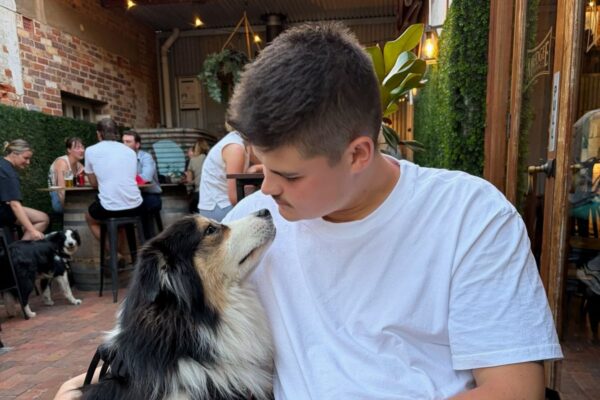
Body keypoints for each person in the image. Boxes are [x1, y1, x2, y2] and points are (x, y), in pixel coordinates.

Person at [55, 23, 562, 399]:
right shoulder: (255, 220)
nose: (266, 189)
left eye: (290, 175)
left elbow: (515, 390)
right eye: (262, 165)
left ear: (358, 154)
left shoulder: (470, 217)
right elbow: (174, 333)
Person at [84, 118, 143, 256]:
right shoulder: (130, 151)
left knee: (89, 217)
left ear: (99, 134)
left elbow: (93, 183)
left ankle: (114, 254)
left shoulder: (91, 150)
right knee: (120, 223)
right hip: (135, 206)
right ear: (117, 133)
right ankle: (122, 257)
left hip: (109, 208)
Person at [0, 139, 49, 240]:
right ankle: (20, 248)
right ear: (14, 153)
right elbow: (15, 205)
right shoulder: (9, 174)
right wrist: (32, 231)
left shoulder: (2, 163)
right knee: (42, 219)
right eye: (25, 158)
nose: (28, 162)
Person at [197, 129, 248, 221]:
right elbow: (235, 197)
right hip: (220, 206)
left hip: (215, 206)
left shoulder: (236, 141)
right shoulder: (235, 147)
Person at [121, 131, 162, 238]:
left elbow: (146, 178)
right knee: (122, 209)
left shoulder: (146, 157)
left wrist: (125, 180)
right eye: (123, 142)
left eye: (128, 142)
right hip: (131, 196)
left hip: (150, 195)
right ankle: (132, 246)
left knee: (143, 207)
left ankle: (148, 244)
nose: (124, 145)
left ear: (137, 145)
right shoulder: (120, 159)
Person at [48, 137, 85, 213]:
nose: (82, 150)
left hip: (72, 195)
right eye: (78, 148)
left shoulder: (79, 165)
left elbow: (88, 182)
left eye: (82, 147)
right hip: (58, 199)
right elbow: (61, 190)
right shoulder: (62, 162)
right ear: (69, 150)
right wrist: (68, 207)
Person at [184, 138, 209, 213]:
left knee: (195, 214)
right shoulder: (210, 158)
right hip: (211, 193)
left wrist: (196, 180)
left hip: (199, 192)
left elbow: (189, 180)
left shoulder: (193, 160)